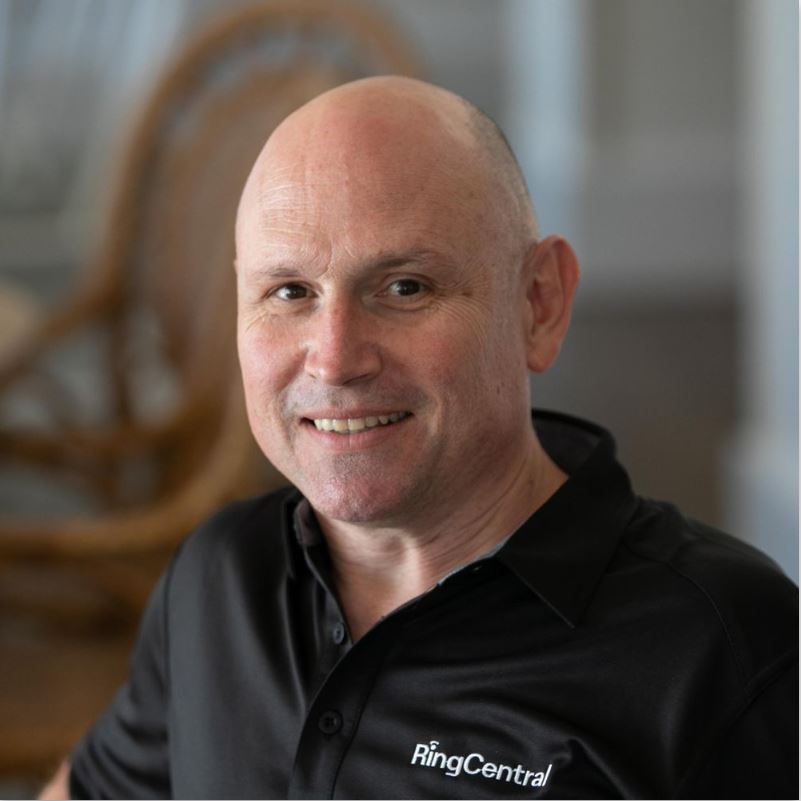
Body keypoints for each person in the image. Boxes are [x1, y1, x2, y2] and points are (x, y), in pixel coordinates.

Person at [41, 76, 797, 800]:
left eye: (404, 286)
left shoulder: (727, 655)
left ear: (538, 304)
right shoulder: (220, 578)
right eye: (290, 291)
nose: (334, 357)